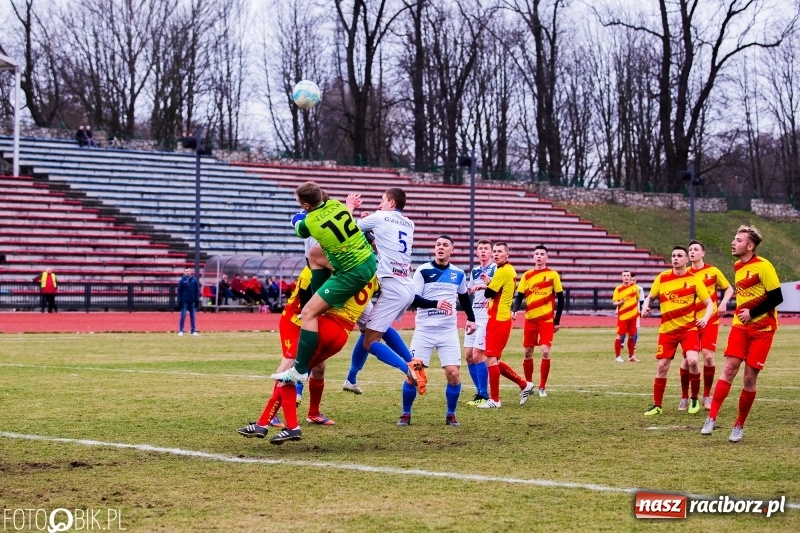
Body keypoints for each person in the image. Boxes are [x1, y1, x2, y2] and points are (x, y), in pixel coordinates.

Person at [239, 273, 380, 444]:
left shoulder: (341, 270)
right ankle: (263, 423)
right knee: (291, 373)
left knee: (285, 372)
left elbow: (317, 303)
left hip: (321, 326)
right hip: (336, 332)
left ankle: (291, 426)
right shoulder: (370, 275)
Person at [271, 182, 377, 384]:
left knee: (308, 313)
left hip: (351, 272)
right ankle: (318, 298)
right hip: (368, 260)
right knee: (315, 254)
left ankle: (299, 370)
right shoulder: (337, 205)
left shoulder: (310, 221)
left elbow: (299, 229)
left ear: (306, 205)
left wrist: (296, 218)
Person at [701, 226, 783, 442]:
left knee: (748, 378)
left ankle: (739, 425)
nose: (733, 243)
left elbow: (777, 297)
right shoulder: (738, 265)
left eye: (738, 240)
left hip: (763, 329)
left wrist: (753, 313)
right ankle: (711, 418)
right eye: (734, 239)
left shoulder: (764, 267)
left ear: (750, 246)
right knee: (729, 368)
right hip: (740, 326)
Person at [343, 188, 420, 394]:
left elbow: (346, 227)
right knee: (371, 329)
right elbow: (383, 245)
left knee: (370, 341)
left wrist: (350, 206)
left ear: (392, 203)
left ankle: (410, 368)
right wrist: (371, 229)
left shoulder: (381, 216)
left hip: (392, 286)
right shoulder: (409, 223)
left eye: (382, 200)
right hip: (405, 285)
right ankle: (351, 379)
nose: (380, 204)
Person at [397, 235, 476, 427]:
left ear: (452, 250)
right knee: (413, 375)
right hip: (424, 331)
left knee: (453, 374)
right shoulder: (423, 271)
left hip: (448, 332)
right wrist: (436, 303)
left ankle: (451, 414)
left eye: (445, 245)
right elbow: (413, 299)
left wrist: (472, 319)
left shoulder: (458, 273)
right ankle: (406, 414)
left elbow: (464, 298)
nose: (441, 247)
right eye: (438, 244)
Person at [641, 246, 714, 416]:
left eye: (679, 255)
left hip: (689, 330)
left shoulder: (694, 280)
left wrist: (705, 318)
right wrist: (645, 307)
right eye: (673, 255)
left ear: (686, 259)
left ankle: (694, 399)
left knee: (693, 361)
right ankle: (657, 405)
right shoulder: (662, 277)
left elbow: (709, 303)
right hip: (667, 331)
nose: (675, 258)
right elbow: (649, 298)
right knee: (662, 366)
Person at [471, 242, 533, 409]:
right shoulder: (505, 270)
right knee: (493, 360)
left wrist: (487, 286)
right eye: (495, 251)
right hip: (497, 318)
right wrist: (488, 282)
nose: (496, 254)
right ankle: (523, 384)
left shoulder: (503, 270)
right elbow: (497, 289)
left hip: (498, 319)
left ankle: (495, 400)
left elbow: (489, 293)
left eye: (499, 252)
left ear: (507, 255)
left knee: (490, 359)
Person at [678, 240, 734, 410]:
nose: (693, 252)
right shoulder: (685, 273)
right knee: (688, 360)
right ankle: (685, 397)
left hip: (710, 321)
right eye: (690, 250)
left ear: (703, 253)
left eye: (696, 249)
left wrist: (724, 302)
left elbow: (729, 288)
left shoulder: (713, 271)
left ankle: (707, 396)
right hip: (690, 323)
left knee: (708, 356)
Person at [512, 244, 564, 397]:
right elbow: (520, 295)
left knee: (545, 351)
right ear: (533, 257)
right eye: (537, 254)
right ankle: (528, 385)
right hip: (530, 320)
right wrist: (514, 309)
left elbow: (561, 298)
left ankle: (542, 387)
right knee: (528, 352)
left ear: (546, 257)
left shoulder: (553, 275)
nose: (539, 256)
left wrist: (557, 320)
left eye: (542, 254)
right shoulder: (527, 275)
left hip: (547, 320)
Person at [464, 239, 495, 406]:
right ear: (477, 252)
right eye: (480, 248)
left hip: (486, 317)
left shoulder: (495, 269)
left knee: (478, 356)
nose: (483, 251)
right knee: (468, 356)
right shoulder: (474, 271)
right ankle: (480, 393)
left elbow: (498, 291)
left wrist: (488, 281)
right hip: (474, 317)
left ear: (491, 252)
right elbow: (469, 291)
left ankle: (483, 395)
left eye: (486, 249)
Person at [612, 270, 640, 363]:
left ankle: (631, 356)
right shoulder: (618, 289)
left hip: (633, 317)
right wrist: (619, 303)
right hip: (623, 317)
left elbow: (637, 298)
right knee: (620, 335)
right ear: (622, 277)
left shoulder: (635, 288)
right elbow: (614, 302)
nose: (626, 277)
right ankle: (617, 356)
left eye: (628, 275)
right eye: (624, 275)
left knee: (632, 336)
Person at [177, 267, 200, 336]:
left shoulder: (194, 280)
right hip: (184, 301)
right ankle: (181, 330)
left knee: (193, 316)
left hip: (192, 301)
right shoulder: (181, 281)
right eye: (186, 271)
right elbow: (179, 291)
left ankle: (193, 331)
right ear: (184, 272)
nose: (188, 272)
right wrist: (179, 300)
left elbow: (196, 290)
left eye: (189, 271)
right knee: (183, 316)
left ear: (191, 272)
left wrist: (197, 300)